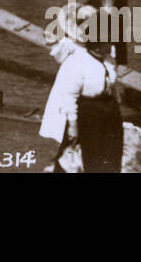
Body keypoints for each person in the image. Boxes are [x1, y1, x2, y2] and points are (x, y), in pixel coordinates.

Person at [40, 23, 123, 173]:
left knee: (113, 150)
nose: (111, 45)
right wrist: (73, 126)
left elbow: (112, 84)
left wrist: (115, 99)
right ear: (97, 46)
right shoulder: (78, 62)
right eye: (108, 42)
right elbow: (70, 96)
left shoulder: (109, 60)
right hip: (89, 110)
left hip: (109, 109)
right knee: (90, 154)